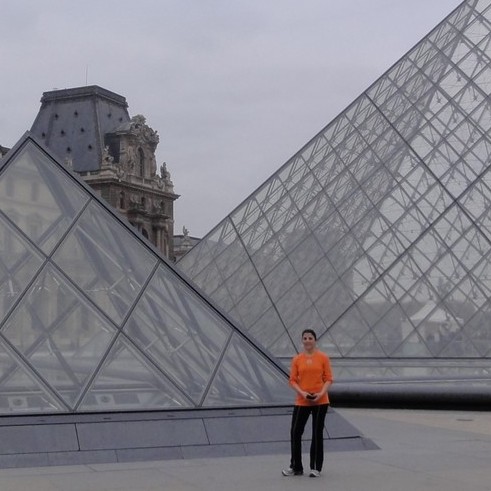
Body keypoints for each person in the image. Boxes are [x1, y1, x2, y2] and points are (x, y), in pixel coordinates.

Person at [282, 329, 333, 478]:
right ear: (302, 340)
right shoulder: (297, 359)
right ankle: (296, 466)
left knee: (317, 433)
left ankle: (316, 467)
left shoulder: (323, 357)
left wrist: (321, 394)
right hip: (302, 400)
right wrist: (302, 393)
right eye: (305, 338)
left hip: (320, 400)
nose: (307, 340)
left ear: (315, 340)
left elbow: (329, 378)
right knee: (295, 432)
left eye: (310, 338)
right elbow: (292, 380)